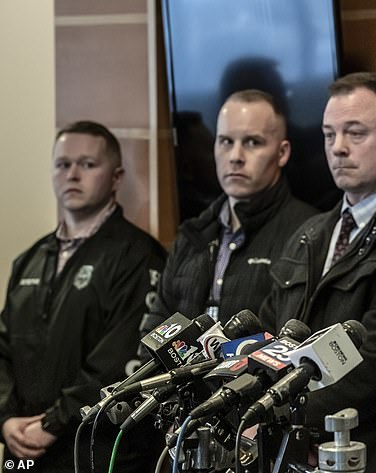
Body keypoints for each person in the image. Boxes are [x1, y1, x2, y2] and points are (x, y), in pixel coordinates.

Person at [260, 72, 376, 472]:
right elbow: (269, 333)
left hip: (362, 449)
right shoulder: (311, 232)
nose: (338, 148)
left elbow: (374, 362)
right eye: (328, 135)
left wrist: (274, 413)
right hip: (287, 444)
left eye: (355, 133)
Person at [0, 121, 167, 472]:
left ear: (116, 177)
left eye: (88, 165)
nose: (72, 174)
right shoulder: (29, 260)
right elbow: (3, 350)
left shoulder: (138, 257)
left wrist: (53, 423)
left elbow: (120, 358)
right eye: (63, 164)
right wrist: (6, 419)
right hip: (23, 448)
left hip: (94, 451)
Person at [141, 89, 316, 337]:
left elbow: (294, 340)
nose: (235, 157)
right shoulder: (192, 233)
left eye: (252, 142)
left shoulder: (309, 233)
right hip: (182, 375)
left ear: (282, 152)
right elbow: (154, 333)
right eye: (225, 141)